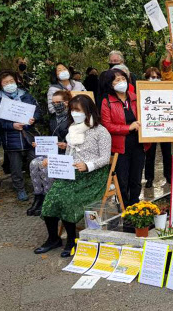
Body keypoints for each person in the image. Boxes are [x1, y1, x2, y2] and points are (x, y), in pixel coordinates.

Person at [35, 95, 111, 257]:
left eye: (78, 110)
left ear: (88, 111)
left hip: (93, 176)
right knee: (51, 198)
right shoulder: (73, 130)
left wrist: (88, 165)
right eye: (72, 110)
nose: (74, 113)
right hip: (72, 173)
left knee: (68, 200)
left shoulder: (101, 131)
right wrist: (53, 161)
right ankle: (53, 238)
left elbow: (105, 158)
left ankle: (71, 240)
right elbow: (69, 156)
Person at [0, 71, 42, 201]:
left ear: (16, 81)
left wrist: (33, 119)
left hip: (29, 136)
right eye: (5, 82)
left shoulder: (26, 95)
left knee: (36, 161)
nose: (9, 84)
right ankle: (20, 189)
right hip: (11, 137)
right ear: (0, 85)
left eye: (11, 81)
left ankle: (40, 188)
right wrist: (11, 126)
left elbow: (37, 111)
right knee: (15, 167)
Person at [101, 69, 150, 207]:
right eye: (117, 80)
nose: (121, 82)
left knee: (136, 178)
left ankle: (135, 206)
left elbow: (150, 113)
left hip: (139, 145)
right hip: (120, 147)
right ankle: (124, 207)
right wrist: (128, 128)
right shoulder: (107, 101)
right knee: (122, 180)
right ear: (110, 84)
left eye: (123, 78)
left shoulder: (136, 97)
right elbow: (107, 126)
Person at [27, 90, 72, 216]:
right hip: (54, 151)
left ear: (66, 102)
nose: (56, 105)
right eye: (53, 102)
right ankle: (38, 197)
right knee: (34, 163)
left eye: (59, 102)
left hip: (67, 153)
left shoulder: (72, 118)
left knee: (46, 166)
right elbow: (50, 137)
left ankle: (49, 197)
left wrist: (67, 145)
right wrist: (40, 144)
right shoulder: (52, 118)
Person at [143, 67, 172, 188]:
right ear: (147, 78)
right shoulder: (143, 91)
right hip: (150, 126)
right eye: (152, 77)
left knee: (167, 153)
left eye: (157, 77)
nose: (155, 79)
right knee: (150, 154)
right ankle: (149, 178)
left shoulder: (167, 91)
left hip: (165, 126)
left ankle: (169, 176)